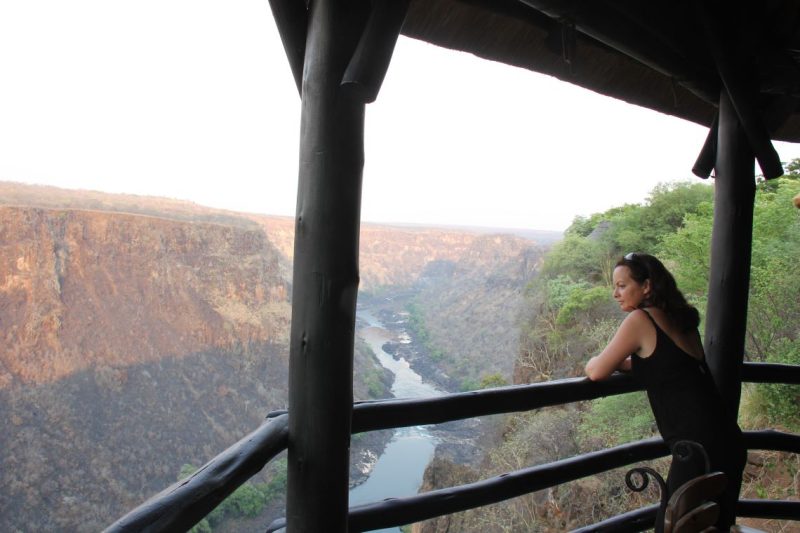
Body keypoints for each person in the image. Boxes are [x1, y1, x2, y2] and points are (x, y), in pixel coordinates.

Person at [584, 252, 746, 531]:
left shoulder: (640, 320)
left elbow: (597, 371)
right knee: (714, 527)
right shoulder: (680, 319)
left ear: (646, 286)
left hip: (697, 450)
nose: (615, 294)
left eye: (622, 285)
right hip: (727, 441)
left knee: (670, 528)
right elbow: (667, 364)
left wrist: (588, 362)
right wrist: (628, 365)